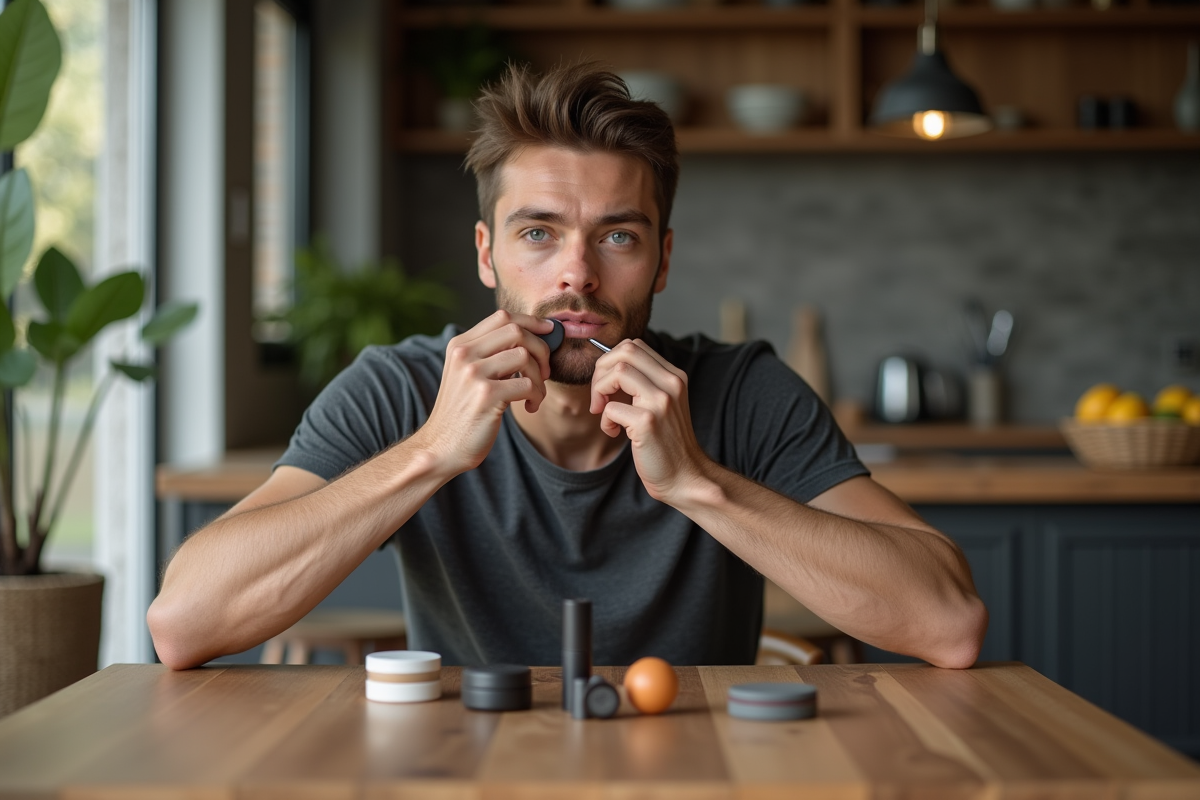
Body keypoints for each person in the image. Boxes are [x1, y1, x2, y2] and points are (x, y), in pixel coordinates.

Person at [148, 63, 987, 671]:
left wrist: (696, 481)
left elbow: (948, 623)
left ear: (661, 261)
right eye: (539, 233)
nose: (577, 274)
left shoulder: (742, 392)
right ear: (487, 254)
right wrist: (430, 453)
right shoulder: (400, 390)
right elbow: (183, 622)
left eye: (617, 236)